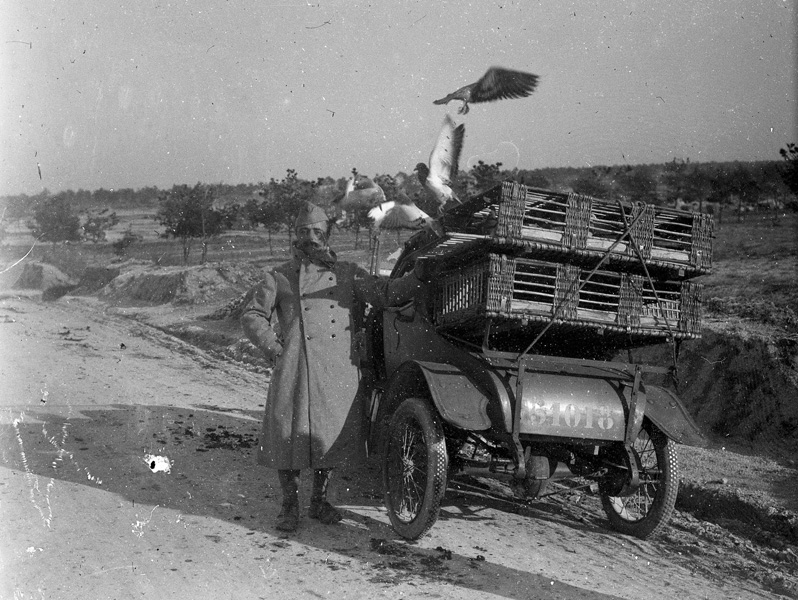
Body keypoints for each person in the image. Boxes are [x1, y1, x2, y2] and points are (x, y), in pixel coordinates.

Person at [241, 201, 431, 532]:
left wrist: (418, 277)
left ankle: (319, 501)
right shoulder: (280, 276)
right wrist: (273, 347)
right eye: (303, 232)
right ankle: (289, 505)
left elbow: (386, 293)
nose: (310, 238)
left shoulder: (349, 274)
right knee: (287, 436)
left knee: (329, 437)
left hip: (337, 370)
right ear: (295, 236)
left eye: (316, 232)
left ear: (327, 235)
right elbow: (252, 314)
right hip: (296, 366)